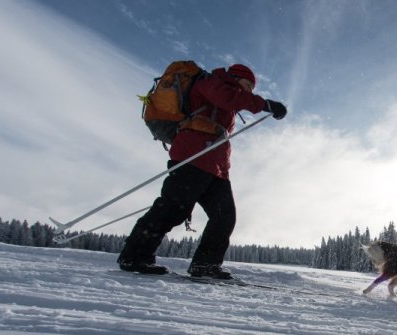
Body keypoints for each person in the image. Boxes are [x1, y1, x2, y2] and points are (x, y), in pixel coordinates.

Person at [117, 64, 287, 279]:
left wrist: (224, 170)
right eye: (247, 85)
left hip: (216, 168)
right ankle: (134, 256)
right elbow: (229, 98)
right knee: (172, 209)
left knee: (225, 216)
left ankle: (205, 265)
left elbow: (222, 134)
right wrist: (266, 104)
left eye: (252, 88)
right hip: (192, 157)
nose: (249, 91)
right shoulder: (212, 83)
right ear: (234, 78)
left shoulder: (229, 102)